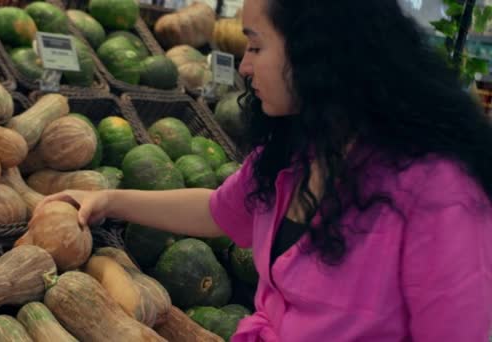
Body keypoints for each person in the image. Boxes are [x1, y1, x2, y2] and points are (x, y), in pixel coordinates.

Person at [35, 0, 492, 340]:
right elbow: (219, 211)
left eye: (255, 45)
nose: (246, 66)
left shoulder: (437, 189)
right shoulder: (299, 147)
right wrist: (109, 201)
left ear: (318, 54)